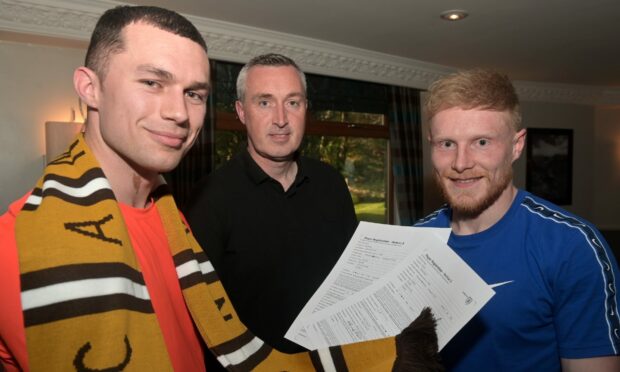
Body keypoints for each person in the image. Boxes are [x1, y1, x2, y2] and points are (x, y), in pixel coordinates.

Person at [0, 6, 442, 371]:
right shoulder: (15, 249)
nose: (178, 112)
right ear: (89, 88)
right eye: (153, 82)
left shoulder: (173, 227)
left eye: (193, 93)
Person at [415, 69, 620, 371]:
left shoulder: (572, 247)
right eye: (447, 144)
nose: (461, 163)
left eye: (481, 142)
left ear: (516, 146)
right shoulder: (415, 241)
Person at [185, 53, 358, 354]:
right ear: (241, 111)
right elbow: (200, 318)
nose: (281, 119)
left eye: (292, 102)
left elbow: (351, 276)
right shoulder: (209, 199)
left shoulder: (331, 183)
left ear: (305, 108)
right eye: (264, 102)